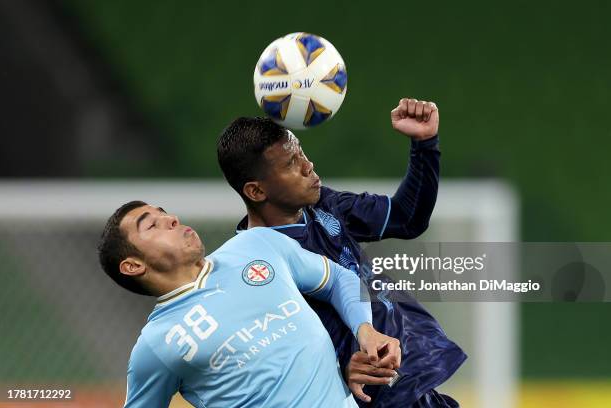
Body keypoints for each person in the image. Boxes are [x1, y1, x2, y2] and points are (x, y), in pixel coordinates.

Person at [217, 98, 467, 407]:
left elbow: (407, 218)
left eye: (301, 152)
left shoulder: (324, 205)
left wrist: (424, 144)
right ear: (256, 191)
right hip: (365, 395)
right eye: (291, 164)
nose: (309, 166)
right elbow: (277, 362)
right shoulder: (255, 267)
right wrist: (340, 372)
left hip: (408, 377)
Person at [97, 201, 401, 408]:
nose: (171, 219)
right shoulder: (155, 345)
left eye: (164, 213)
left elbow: (338, 279)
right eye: (151, 226)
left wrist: (365, 330)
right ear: (133, 265)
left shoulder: (256, 245)